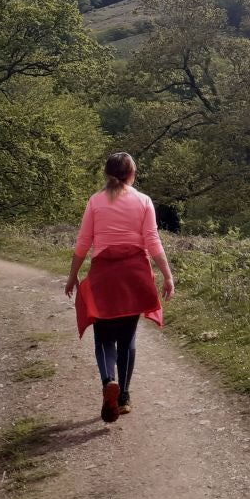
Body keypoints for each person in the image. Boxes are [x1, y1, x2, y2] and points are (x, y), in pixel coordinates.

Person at [65, 152, 175, 423]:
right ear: (131, 174)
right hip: (134, 275)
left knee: (103, 336)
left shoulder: (95, 201)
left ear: (107, 174)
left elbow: (83, 242)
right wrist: (167, 275)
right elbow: (152, 241)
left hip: (105, 275)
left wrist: (73, 275)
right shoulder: (144, 201)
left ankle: (107, 382)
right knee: (127, 338)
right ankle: (123, 397)